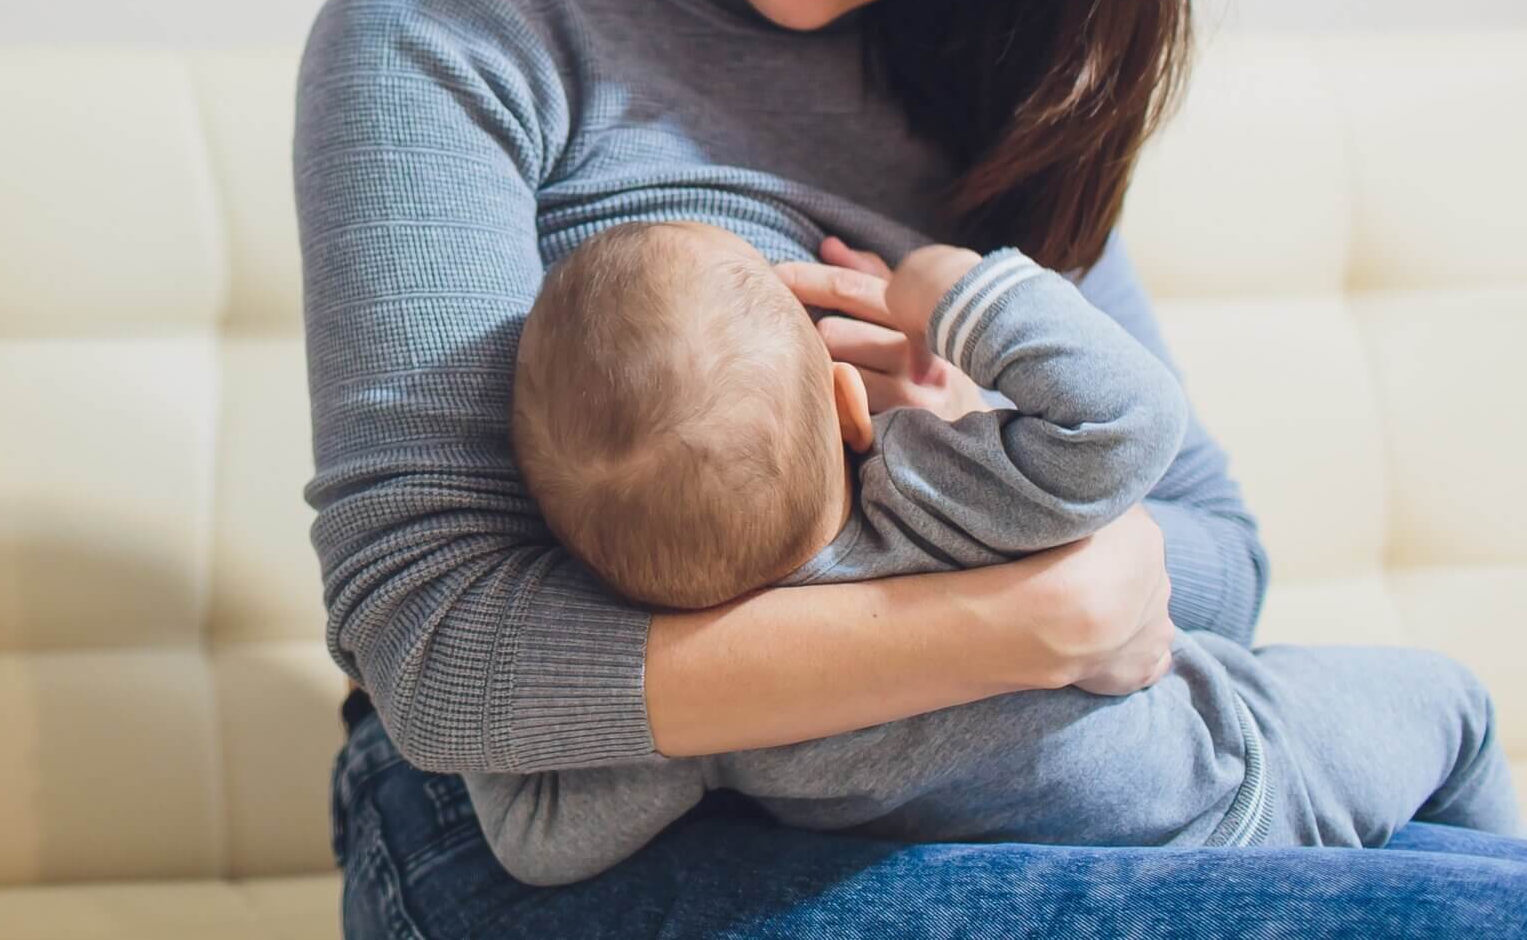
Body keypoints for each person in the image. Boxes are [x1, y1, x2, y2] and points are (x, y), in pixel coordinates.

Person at [291, 0, 1527, 936]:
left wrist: (995, 464)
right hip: (563, 828)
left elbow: (1216, 557)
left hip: (996, 782)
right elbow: (443, 657)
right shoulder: (456, 36)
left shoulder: (981, 87)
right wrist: (1016, 615)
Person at [466, 220, 1516, 880]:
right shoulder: (940, 496)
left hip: (1069, 884)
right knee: (1458, 705)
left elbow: (533, 837)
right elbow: (1132, 418)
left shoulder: (707, 713)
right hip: (1244, 793)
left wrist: (576, 589)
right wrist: (947, 292)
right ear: (847, 402)